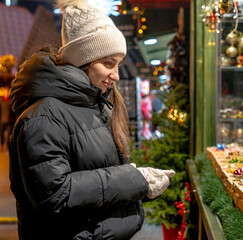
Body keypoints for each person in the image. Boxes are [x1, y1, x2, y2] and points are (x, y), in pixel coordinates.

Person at [8, 0, 175, 239]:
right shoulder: (42, 116)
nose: (116, 75)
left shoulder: (96, 106)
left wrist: (139, 185)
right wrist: (133, 179)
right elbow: (55, 196)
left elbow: (96, 184)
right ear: (83, 60)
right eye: (108, 64)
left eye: (118, 64)